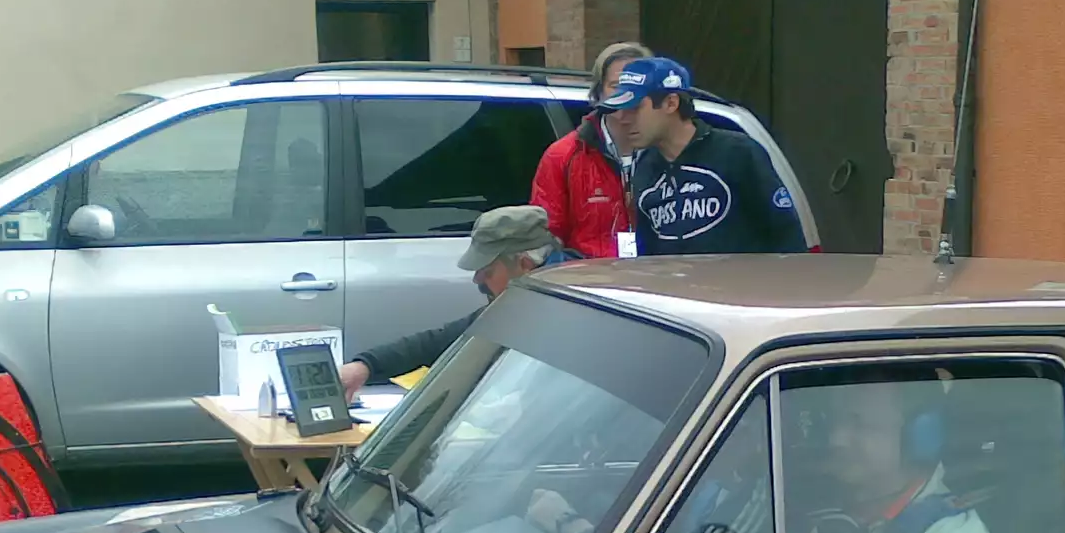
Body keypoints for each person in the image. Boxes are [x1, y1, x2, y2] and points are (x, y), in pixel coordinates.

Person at [337, 205, 580, 400]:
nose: (478, 280)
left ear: (524, 264)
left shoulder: (576, 308)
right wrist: (364, 367)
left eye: (487, 271)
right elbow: (440, 340)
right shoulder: (523, 301)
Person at [790, 379, 998, 533]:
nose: (836, 439)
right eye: (836, 421)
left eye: (859, 425)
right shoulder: (835, 527)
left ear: (917, 435)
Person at [602, 55, 807, 256]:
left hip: (741, 279)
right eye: (621, 109)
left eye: (635, 108)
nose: (623, 119)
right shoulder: (644, 169)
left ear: (671, 104)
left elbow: (787, 235)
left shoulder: (737, 152)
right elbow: (647, 254)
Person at [530, 40, 648, 259]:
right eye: (616, 85)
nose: (626, 94)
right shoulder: (563, 155)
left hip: (658, 275)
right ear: (599, 92)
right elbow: (546, 235)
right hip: (589, 276)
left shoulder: (669, 151)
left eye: (636, 85)